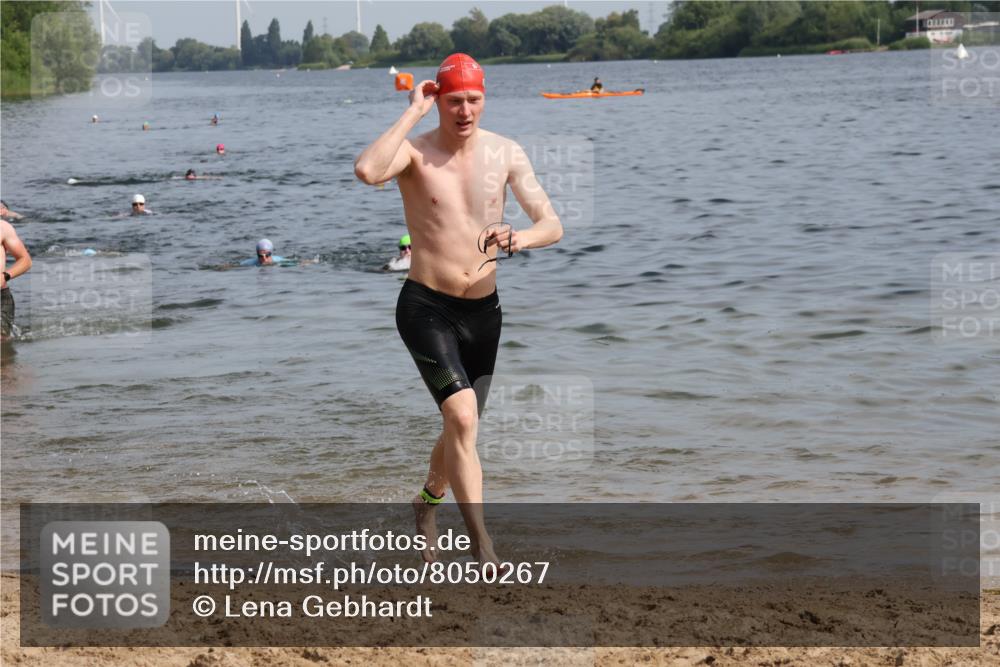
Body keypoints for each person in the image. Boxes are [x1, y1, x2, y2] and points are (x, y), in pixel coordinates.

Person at [354, 53, 562, 568]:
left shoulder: (506, 152)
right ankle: (483, 547)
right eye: (453, 101)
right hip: (425, 306)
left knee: (460, 428)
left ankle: (426, 504)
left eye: (473, 99)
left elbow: (552, 223)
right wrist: (413, 112)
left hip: (484, 313)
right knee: (463, 416)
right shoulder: (414, 154)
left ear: (484, 98)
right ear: (438, 101)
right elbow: (366, 170)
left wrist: (522, 237)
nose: (464, 110)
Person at [1, 220, 33, 341]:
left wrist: (5, 276)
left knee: (2, 345)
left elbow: (25, 260)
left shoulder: (3, 227)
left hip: (1, 296)